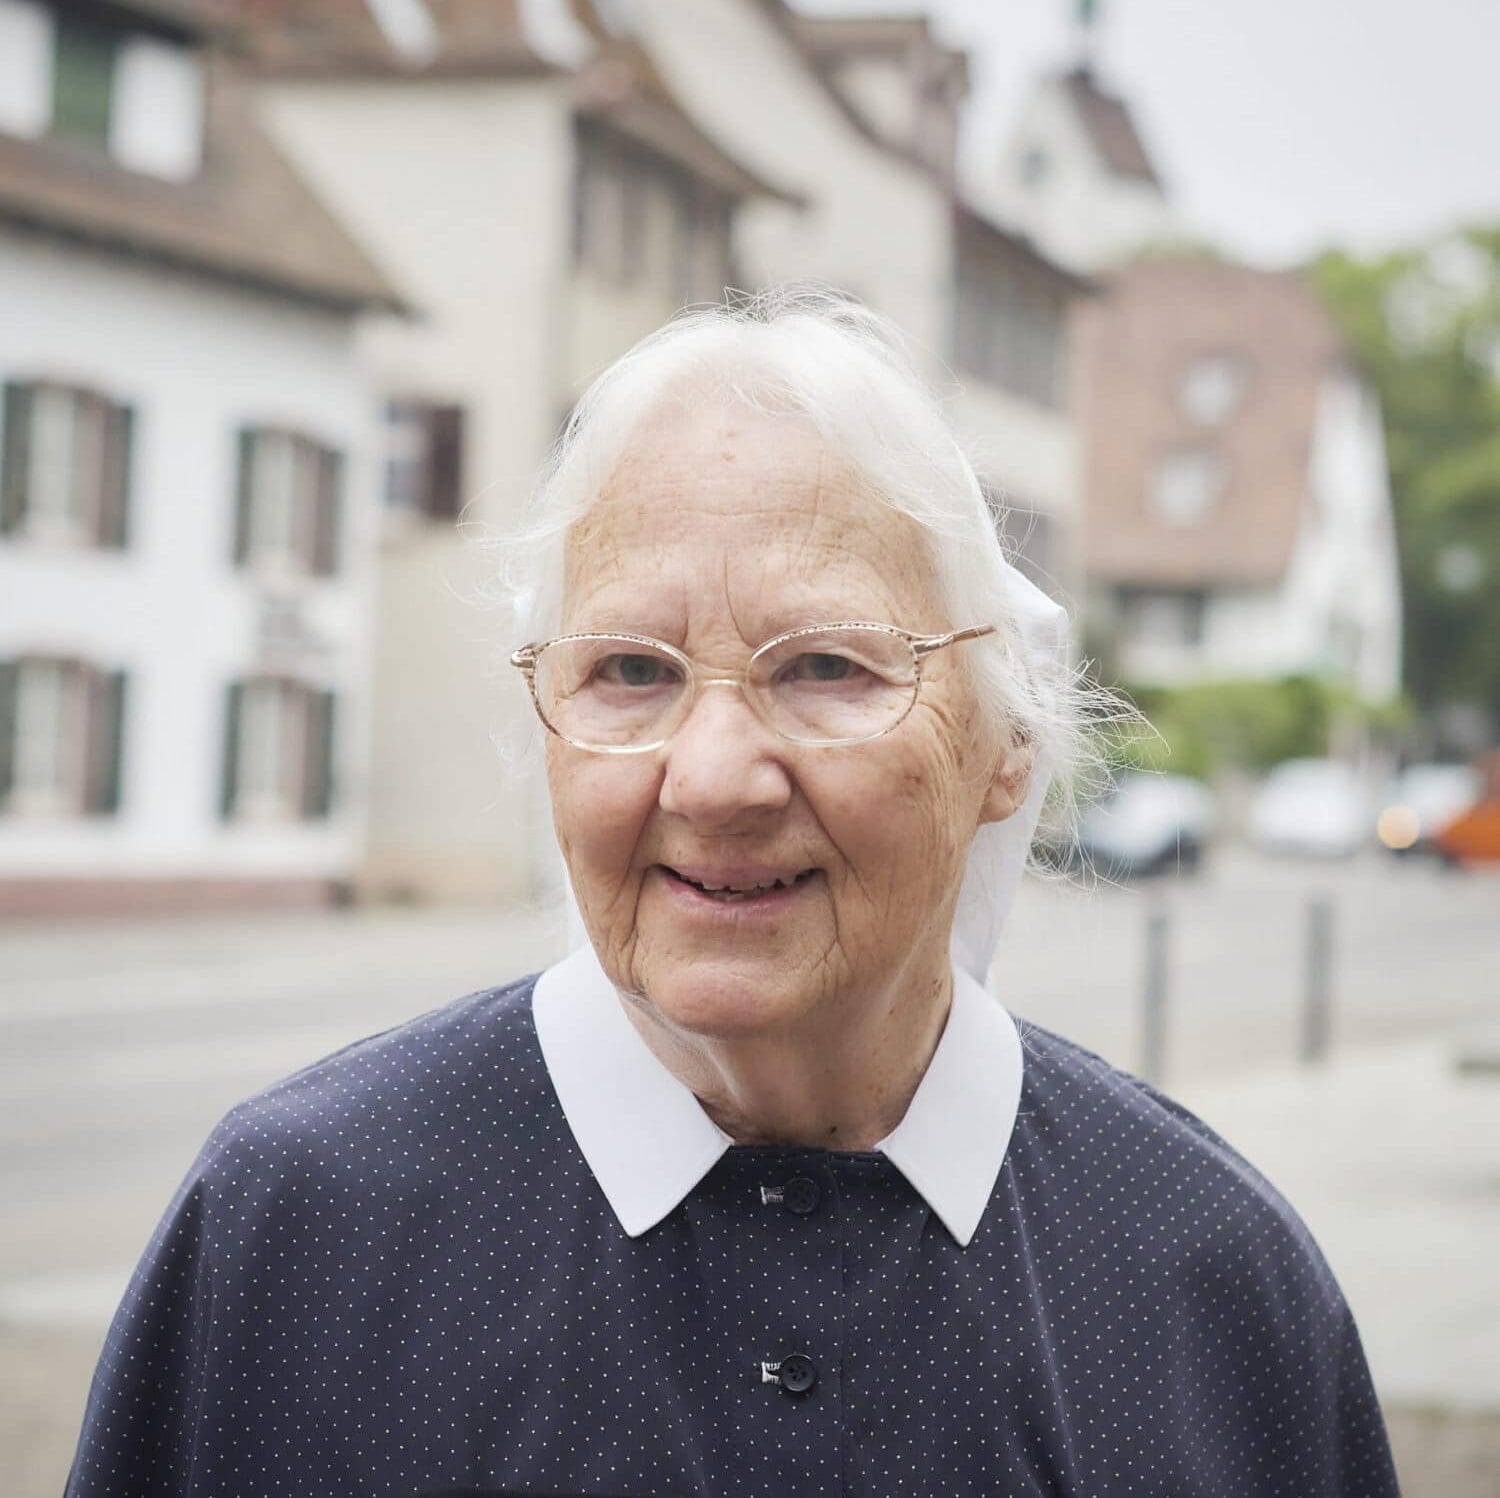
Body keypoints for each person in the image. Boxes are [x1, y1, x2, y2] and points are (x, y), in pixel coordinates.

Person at [67, 289, 1399, 1497]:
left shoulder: (1210, 1278)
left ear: (1006, 748)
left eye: (825, 665)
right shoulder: (296, 1233)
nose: (712, 777)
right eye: (631, 671)